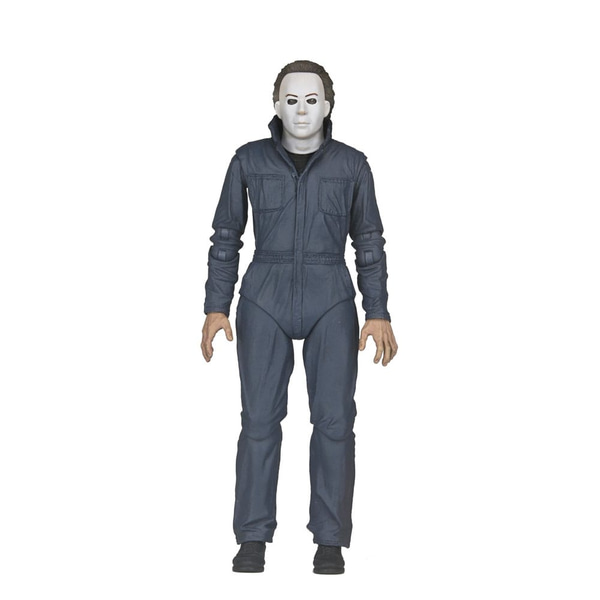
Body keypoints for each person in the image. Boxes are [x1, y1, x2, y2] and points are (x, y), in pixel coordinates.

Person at [201, 60, 398, 574]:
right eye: (291, 100)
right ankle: (252, 538)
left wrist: (377, 311)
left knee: (335, 422)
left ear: (328, 105)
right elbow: (226, 236)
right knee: (259, 422)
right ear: (276, 105)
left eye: (312, 100)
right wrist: (216, 306)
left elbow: (369, 241)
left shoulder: (352, 166)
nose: (302, 110)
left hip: (330, 296)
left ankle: (330, 541)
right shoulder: (247, 160)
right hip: (262, 297)